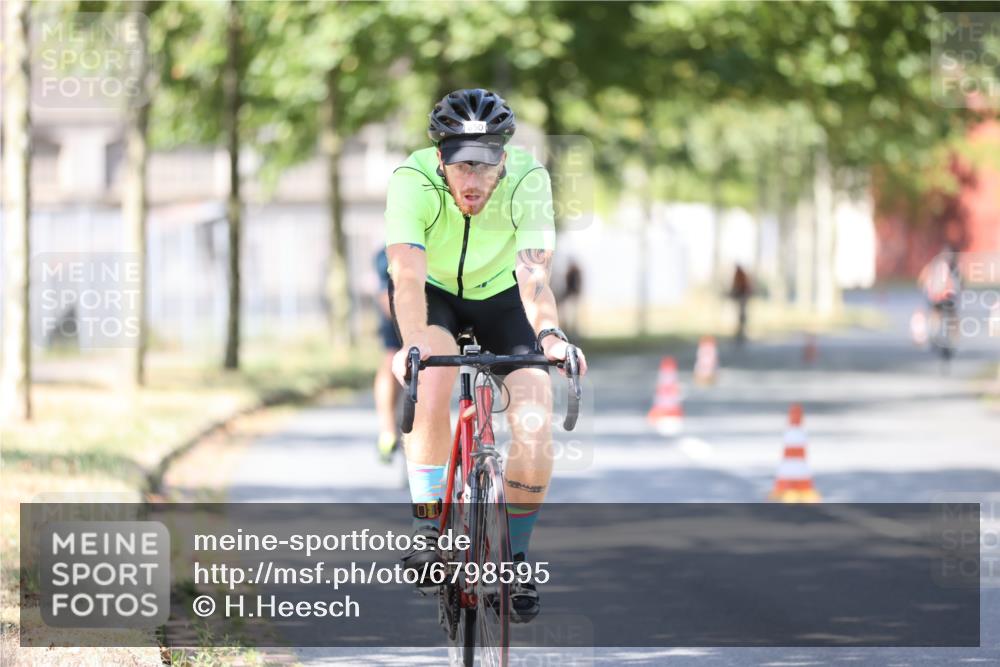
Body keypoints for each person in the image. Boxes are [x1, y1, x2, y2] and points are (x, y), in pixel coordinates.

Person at [384, 88, 588, 624]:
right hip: (434, 295)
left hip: (502, 296)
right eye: (461, 166)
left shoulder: (528, 179)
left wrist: (550, 337)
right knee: (429, 377)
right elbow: (405, 275)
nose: (472, 181)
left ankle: (515, 556)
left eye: (486, 164)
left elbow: (535, 278)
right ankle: (429, 528)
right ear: (440, 158)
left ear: (504, 156)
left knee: (534, 408)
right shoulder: (412, 180)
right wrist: (410, 345)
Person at [373, 248, 402, 463]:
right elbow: (384, 294)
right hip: (397, 304)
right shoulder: (389, 251)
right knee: (391, 356)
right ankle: (388, 429)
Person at [730, 264, 753, 344]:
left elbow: (742, 286)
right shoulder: (738, 274)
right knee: (740, 314)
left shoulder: (741, 274)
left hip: (743, 295)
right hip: (741, 295)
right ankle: (740, 331)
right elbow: (735, 286)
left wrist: (736, 292)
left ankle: (742, 332)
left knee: (742, 314)